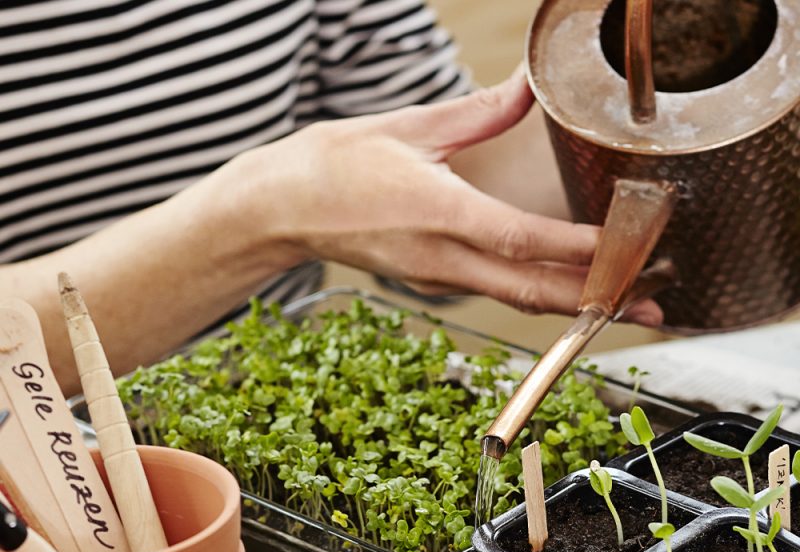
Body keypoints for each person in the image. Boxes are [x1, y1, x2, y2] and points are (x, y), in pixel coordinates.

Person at [0, 1, 661, 396]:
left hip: (285, 433)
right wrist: (259, 215)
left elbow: (454, 187)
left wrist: (600, 63)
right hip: (41, 486)